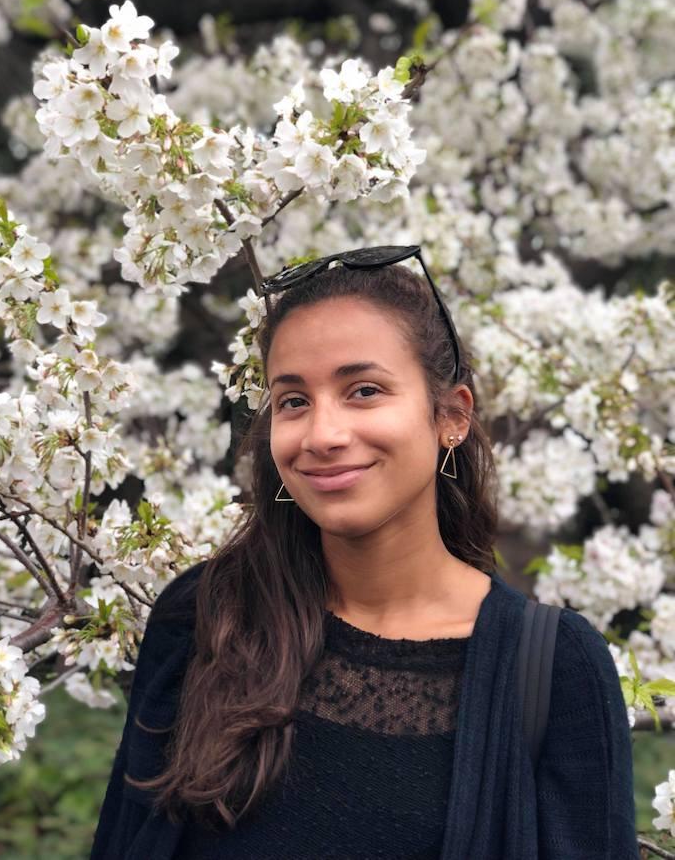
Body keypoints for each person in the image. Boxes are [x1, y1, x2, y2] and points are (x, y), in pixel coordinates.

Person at [91, 246, 639, 860]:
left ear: (451, 416)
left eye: (364, 390)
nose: (323, 435)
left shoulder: (552, 669)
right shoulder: (204, 618)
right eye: (293, 400)